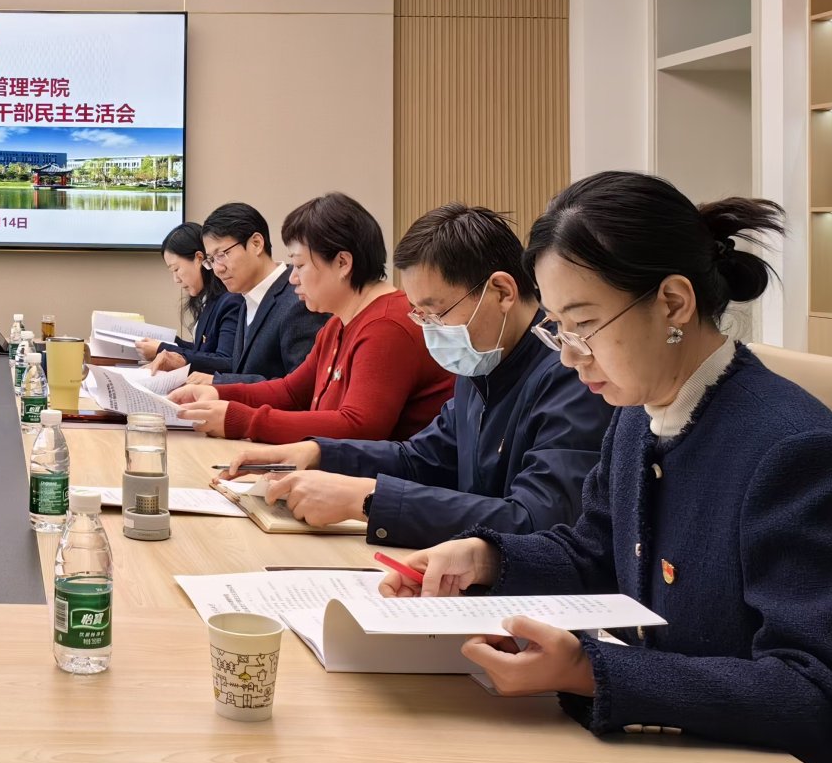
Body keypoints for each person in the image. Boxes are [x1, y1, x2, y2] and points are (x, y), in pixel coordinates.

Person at [381, 173, 832, 763]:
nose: (569, 354)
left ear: (673, 303)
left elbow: (816, 691)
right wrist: (486, 559)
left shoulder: (790, 448)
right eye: (557, 328)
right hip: (667, 759)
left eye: (584, 325)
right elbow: (596, 550)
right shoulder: (637, 416)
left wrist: (589, 671)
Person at [221, 203, 606, 545]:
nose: (431, 329)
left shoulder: (571, 373)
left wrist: (367, 500)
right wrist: (319, 452)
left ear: (502, 292)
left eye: (437, 312)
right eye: (421, 315)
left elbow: (536, 520)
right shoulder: (481, 360)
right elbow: (422, 458)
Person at [171, 192, 451, 443]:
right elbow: (292, 391)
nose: (293, 278)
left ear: (342, 263)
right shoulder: (338, 323)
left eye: (300, 265)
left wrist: (242, 420)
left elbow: (359, 427)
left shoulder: (386, 325)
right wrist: (218, 394)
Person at [146, 201, 325, 385]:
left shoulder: (299, 300)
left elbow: (300, 389)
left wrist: (218, 383)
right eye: (211, 260)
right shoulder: (247, 298)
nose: (217, 269)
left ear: (256, 243)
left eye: (221, 255)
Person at [133, 221, 245, 375]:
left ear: (199, 258)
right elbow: (203, 351)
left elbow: (226, 361)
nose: (176, 279)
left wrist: (162, 348)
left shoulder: (230, 301)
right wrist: (170, 343)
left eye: (176, 269)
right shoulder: (209, 300)